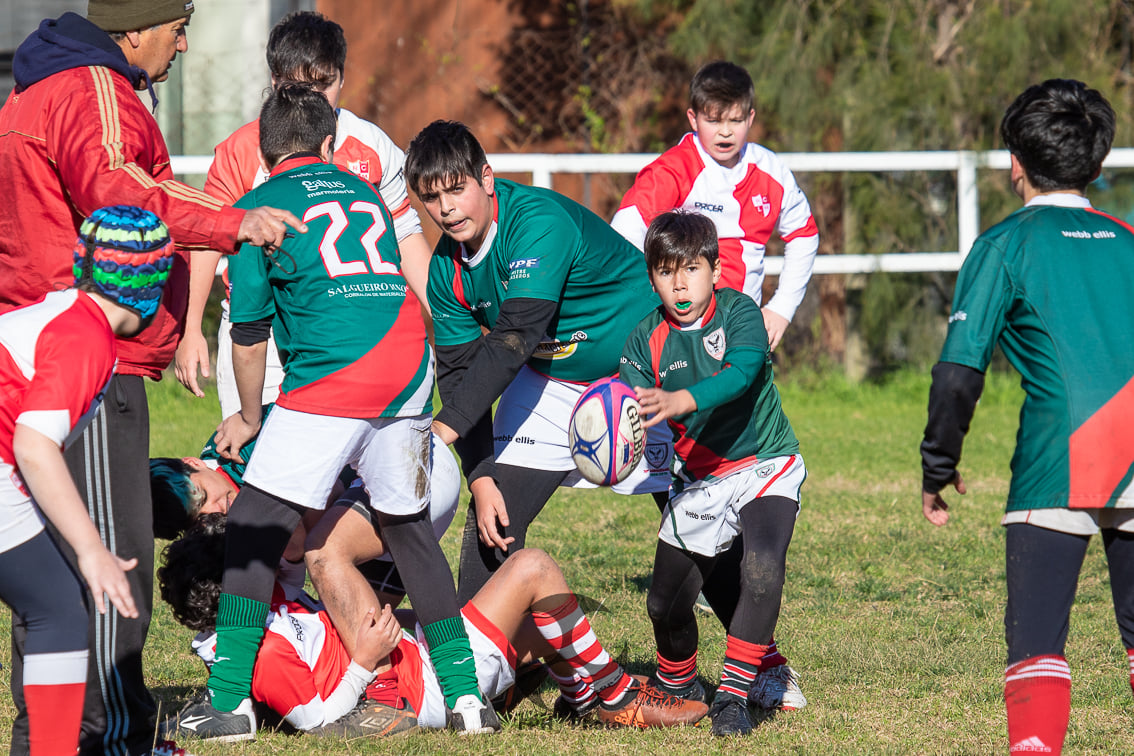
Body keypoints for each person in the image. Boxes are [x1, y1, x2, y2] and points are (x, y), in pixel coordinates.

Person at [0, 3, 306, 753]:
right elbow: (122, 192)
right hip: (81, 362)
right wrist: (234, 220)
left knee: (57, 580)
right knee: (111, 570)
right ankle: (111, 737)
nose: (184, 41)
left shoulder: (42, 90)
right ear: (135, 28)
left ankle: (58, 734)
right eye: (177, 23)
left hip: (49, 354)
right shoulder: (90, 88)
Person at [162, 84, 497, 740]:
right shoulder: (363, 191)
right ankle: (465, 700)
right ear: (326, 145)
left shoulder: (258, 205)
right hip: (408, 367)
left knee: (256, 522)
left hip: (337, 375)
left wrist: (253, 415)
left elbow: (250, 332)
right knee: (406, 528)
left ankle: (229, 703)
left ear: (265, 150)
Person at [920, 78, 1134, 756]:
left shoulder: (1005, 245)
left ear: (1015, 162)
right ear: (1097, 166)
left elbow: (958, 374)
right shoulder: (1129, 237)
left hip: (1058, 456)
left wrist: (938, 465)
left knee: (1038, 644)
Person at [403, 120, 673, 603]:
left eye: (457, 189)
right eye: (430, 197)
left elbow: (513, 338)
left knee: (698, 526)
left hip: (643, 366)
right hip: (550, 374)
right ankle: (483, 668)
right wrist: (480, 474)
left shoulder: (536, 222)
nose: (445, 208)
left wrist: (440, 432)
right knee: (492, 516)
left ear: (486, 179)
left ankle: (763, 665)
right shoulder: (445, 271)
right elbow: (462, 375)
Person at [160, 514, 710, 731]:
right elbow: (311, 717)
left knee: (554, 617)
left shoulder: (265, 612)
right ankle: (614, 698)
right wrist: (361, 663)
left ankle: (577, 692)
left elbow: (299, 554)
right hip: (422, 683)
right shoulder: (259, 653)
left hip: (417, 656)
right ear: (231, 586)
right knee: (535, 569)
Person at [176, 10, 434, 416]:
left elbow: (405, 234)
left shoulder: (372, 145)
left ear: (342, 78)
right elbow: (209, 240)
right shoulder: (242, 149)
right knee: (253, 451)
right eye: (297, 85)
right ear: (274, 80)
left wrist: (445, 314)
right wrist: (191, 328)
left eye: (323, 84)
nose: (311, 97)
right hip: (260, 329)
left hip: (350, 324)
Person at [619, 211, 807, 737]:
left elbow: (743, 375)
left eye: (692, 269)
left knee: (761, 567)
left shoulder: (740, 313)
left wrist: (682, 399)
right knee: (663, 604)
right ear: (651, 276)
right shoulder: (643, 341)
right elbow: (626, 416)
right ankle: (679, 685)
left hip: (767, 462)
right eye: (664, 271)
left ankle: (733, 695)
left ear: (716, 270)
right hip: (700, 480)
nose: (679, 284)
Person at [0, 205, 173, 756]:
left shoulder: (65, 314)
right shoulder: (86, 336)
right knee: (59, 607)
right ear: (151, 288)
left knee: (57, 605)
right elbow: (33, 444)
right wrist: (92, 548)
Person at [610, 61, 819, 351]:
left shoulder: (771, 172)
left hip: (740, 331)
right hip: (675, 336)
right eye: (714, 121)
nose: (725, 132)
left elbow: (804, 235)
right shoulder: (673, 170)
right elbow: (624, 233)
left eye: (735, 121)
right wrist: (650, 304)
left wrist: (781, 309)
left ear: (750, 118)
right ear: (693, 119)